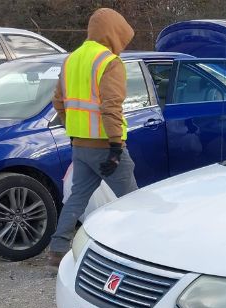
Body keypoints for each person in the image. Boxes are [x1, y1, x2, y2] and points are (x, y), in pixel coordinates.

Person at [47, 8, 137, 266]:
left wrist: (74, 132)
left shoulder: (71, 60)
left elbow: (58, 102)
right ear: (113, 33)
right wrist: (115, 147)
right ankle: (138, 253)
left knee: (77, 198)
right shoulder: (109, 62)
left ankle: (56, 251)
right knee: (134, 202)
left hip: (80, 146)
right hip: (105, 148)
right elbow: (111, 108)